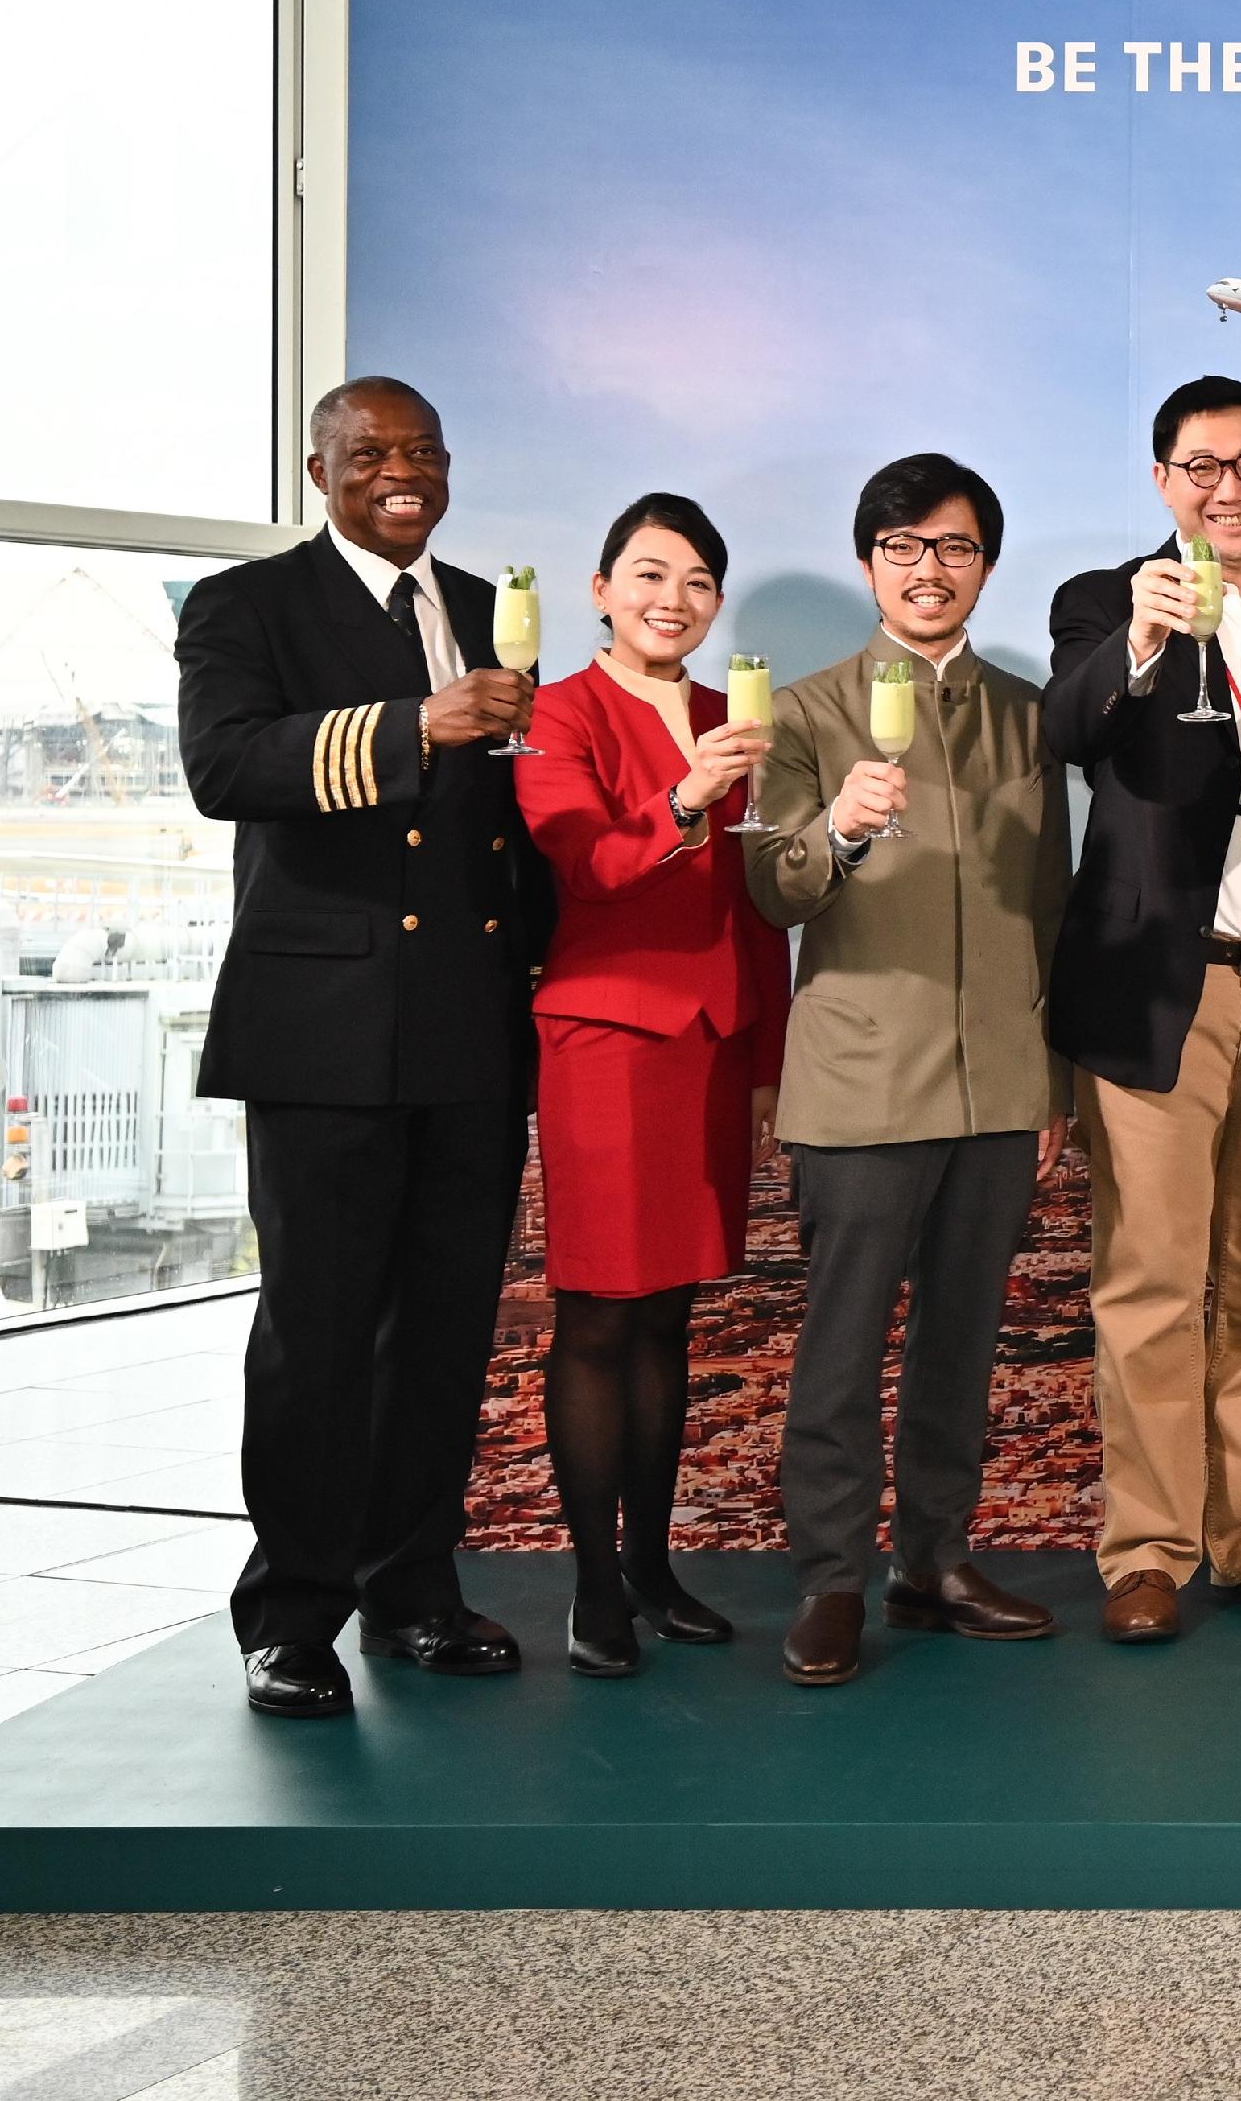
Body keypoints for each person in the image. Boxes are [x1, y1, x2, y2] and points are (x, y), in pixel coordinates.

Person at [175, 377, 547, 1718]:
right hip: (321, 1028)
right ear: (321, 467)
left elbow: (507, 831)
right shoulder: (247, 603)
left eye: (425, 452)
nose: (403, 471)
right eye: (373, 453)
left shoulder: (486, 610)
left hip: (465, 1023)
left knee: (444, 1332)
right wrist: (413, 725)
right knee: (316, 1334)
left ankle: (413, 1589)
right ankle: (291, 1613)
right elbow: (225, 765)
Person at [1043, 376, 1241, 1642]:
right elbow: (1069, 728)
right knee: (1152, 1282)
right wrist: (1137, 640)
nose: (1227, 487)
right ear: (1162, 480)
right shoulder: (1104, 600)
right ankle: (1148, 1553)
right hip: (1158, 988)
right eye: (1199, 466)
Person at [745, 454, 1072, 1688]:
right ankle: (830, 1578)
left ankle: (933, 1561)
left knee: (962, 1344)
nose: (929, 570)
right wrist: (835, 829)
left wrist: (1050, 1077)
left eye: (954, 547)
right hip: (863, 1080)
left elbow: (1051, 903)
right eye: (903, 547)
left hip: (997, 1082)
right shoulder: (807, 713)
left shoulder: (1029, 715)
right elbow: (769, 888)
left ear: (986, 564)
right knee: (840, 1349)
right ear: (868, 560)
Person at [510, 493, 788, 1678]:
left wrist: (768, 1059)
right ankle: (588, 1586)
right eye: (649, 575)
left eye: (696, 583)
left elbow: (758, 905)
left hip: (714, 1039)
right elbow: (587, 864)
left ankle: (651, 1566)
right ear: (600, 591)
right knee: (598, 1313)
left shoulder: (739, 716)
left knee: (674, 1309)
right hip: (608, 1039)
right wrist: (683, 797)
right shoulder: (556, 715)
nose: (673, 600)